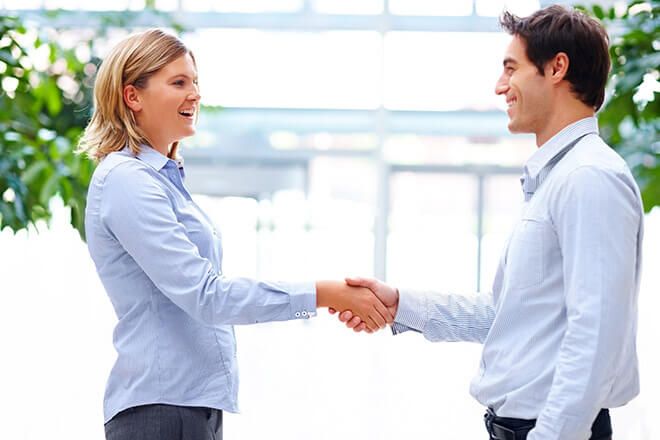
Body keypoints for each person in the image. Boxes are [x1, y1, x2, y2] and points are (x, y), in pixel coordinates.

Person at [334, 5, 644, 440]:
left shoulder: (588, 179)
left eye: (511, 69)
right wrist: (398, 303)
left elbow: (595, 336)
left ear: (557, 68)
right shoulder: (558, 178)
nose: (500, 87)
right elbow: (504, 315)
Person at [77, 28, 393, 440]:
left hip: (190, 407)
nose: (195, 95)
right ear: (132, 96)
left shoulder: (161, 181)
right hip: (161, 411)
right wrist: (324, 294)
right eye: (178, 82)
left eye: (195, 82)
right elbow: (207, 296)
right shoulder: (127, 181)